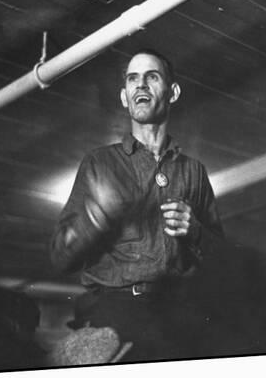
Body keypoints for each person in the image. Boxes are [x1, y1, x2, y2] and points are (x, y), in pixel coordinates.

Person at [49, 48, 225, 363]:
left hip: (178, 318)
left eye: (151, 77)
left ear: (172, 92)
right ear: (123, 96)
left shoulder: (194, 171)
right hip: (115, 315)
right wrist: (97, 216)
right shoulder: (99, 162)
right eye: (133, 79)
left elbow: (224, 261)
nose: (140, 85)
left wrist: (195, 230)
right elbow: (60, 257)